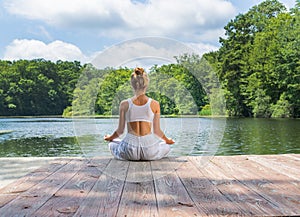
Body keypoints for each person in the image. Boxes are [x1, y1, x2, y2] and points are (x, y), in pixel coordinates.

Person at [104, 67, 175, 161]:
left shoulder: (124, 104)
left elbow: (120, 131)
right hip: (149, 150)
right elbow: (157, 131)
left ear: (132, 85)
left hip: (130, 149)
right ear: (146, 85)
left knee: (112, 143)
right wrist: (167, 140)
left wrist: (110, 137)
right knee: (165, 145)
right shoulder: (155, 104)